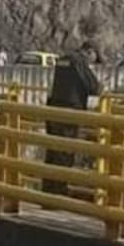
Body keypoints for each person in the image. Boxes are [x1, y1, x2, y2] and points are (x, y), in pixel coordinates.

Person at [42, 41, 102, 196]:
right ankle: (59, 193)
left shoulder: (63, 59)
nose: (92, 63)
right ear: (89, 52)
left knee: (52, 152)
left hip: (53, 110)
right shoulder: (78, 61)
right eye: (94, 59)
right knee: (65, 154)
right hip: (68, 114)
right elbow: (94, 87)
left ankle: (47, 192)